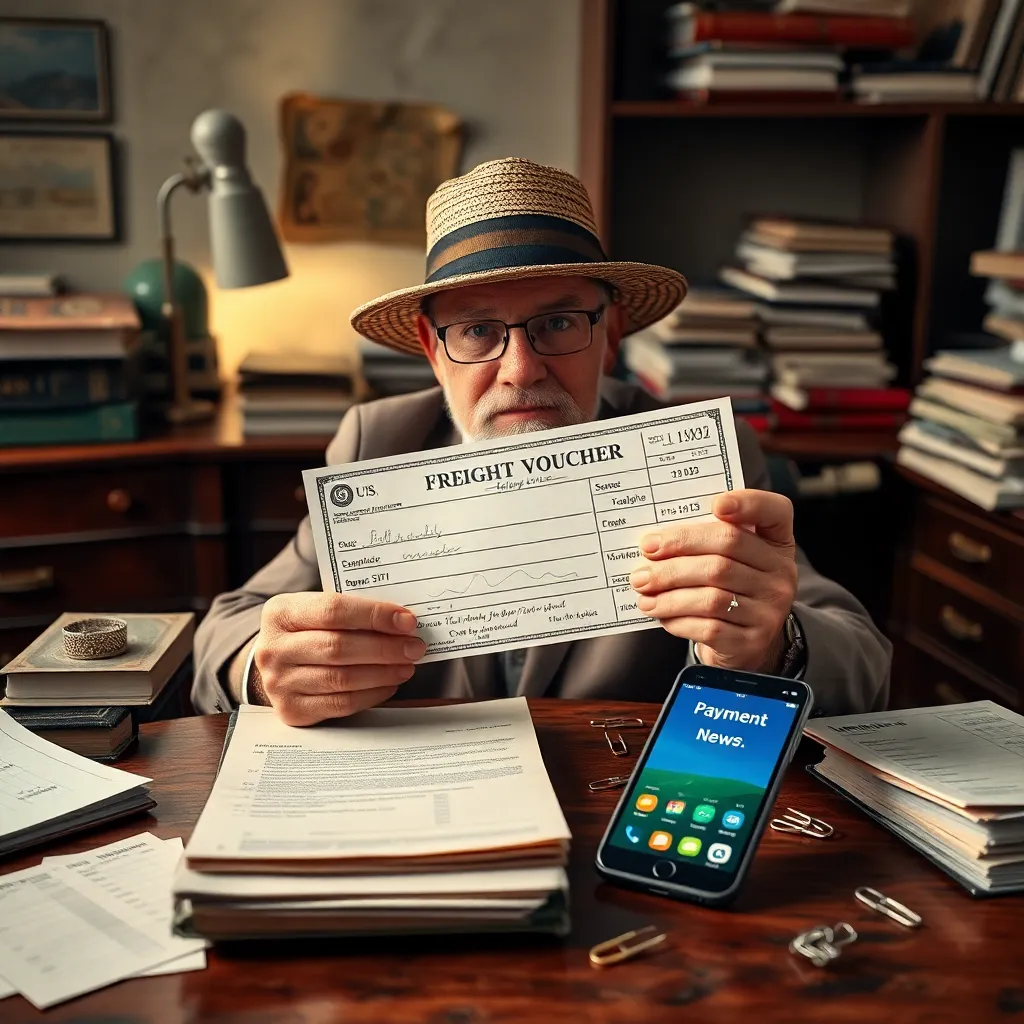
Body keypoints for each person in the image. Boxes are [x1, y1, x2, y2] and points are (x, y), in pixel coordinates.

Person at [193, 157, 891, 725]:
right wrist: (263, 664)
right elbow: (222, 632)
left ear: (611, 332)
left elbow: (864, 666)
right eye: (475, 331)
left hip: (612, 804)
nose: (522, 371)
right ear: (431, 350)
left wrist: (771, 644)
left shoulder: (703, 457)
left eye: (558, 324)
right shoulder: (376, 443)